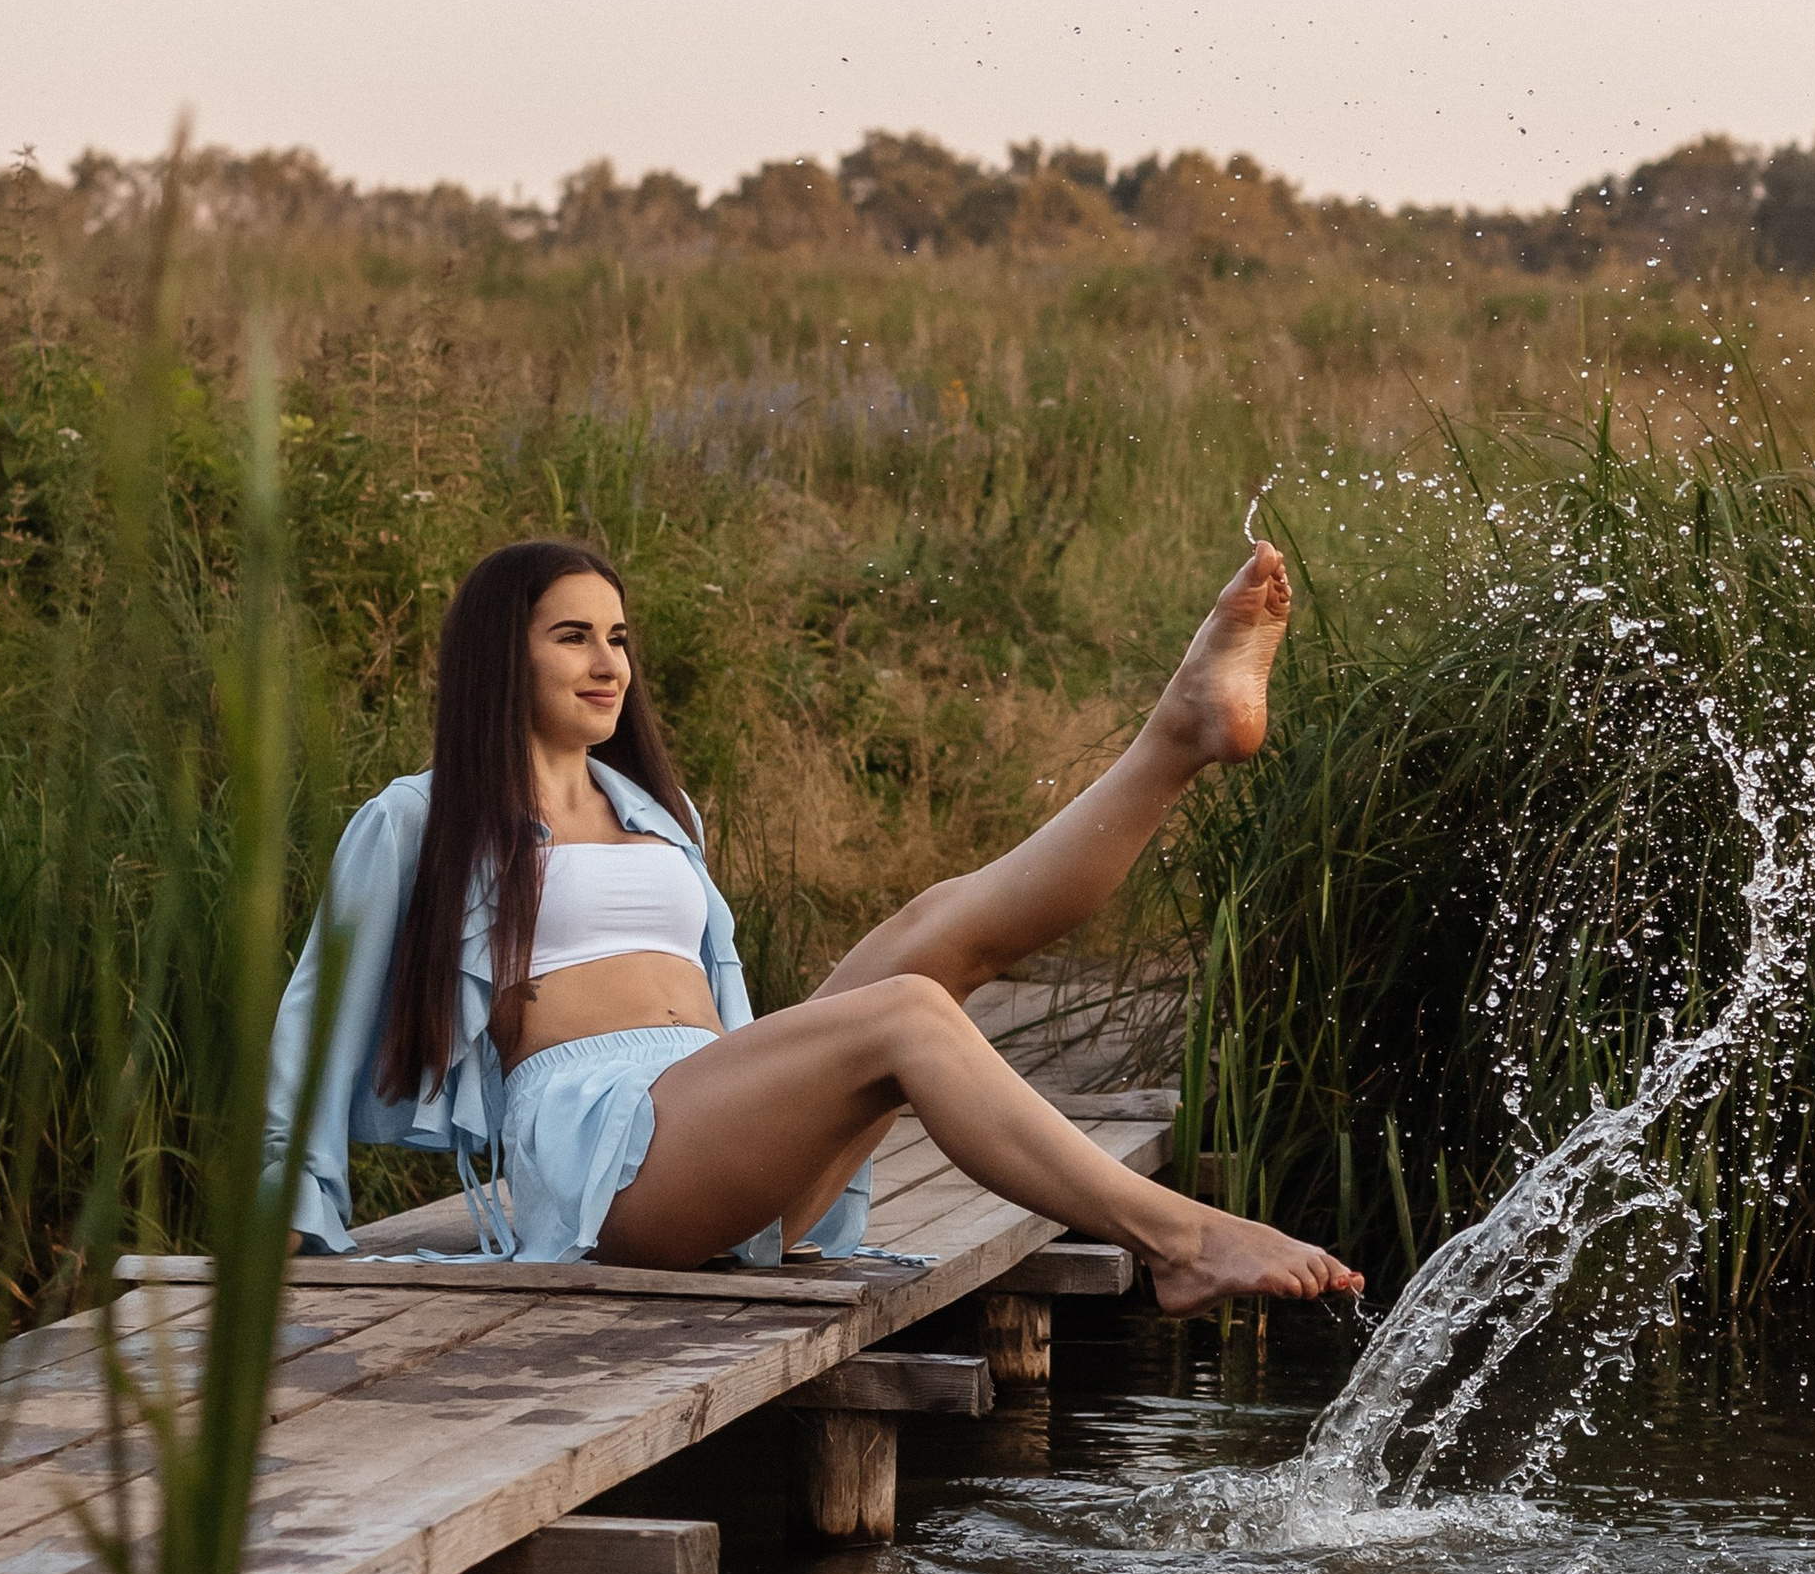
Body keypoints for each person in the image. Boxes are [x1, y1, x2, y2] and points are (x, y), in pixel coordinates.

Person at [265, 532, 1362, 1312]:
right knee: (905, 1012)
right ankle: (1179, 1236)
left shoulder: (656, 812)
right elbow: (314, 1018)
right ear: (500, 655)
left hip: (711, 1110)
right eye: (572, 638)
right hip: (602, 1154)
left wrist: (751, 1072)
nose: (610, 663)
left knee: (940, 929)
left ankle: (1177, 734)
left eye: (619, 636)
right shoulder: (419, 820)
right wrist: (289, 1211)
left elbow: (725, 1008)